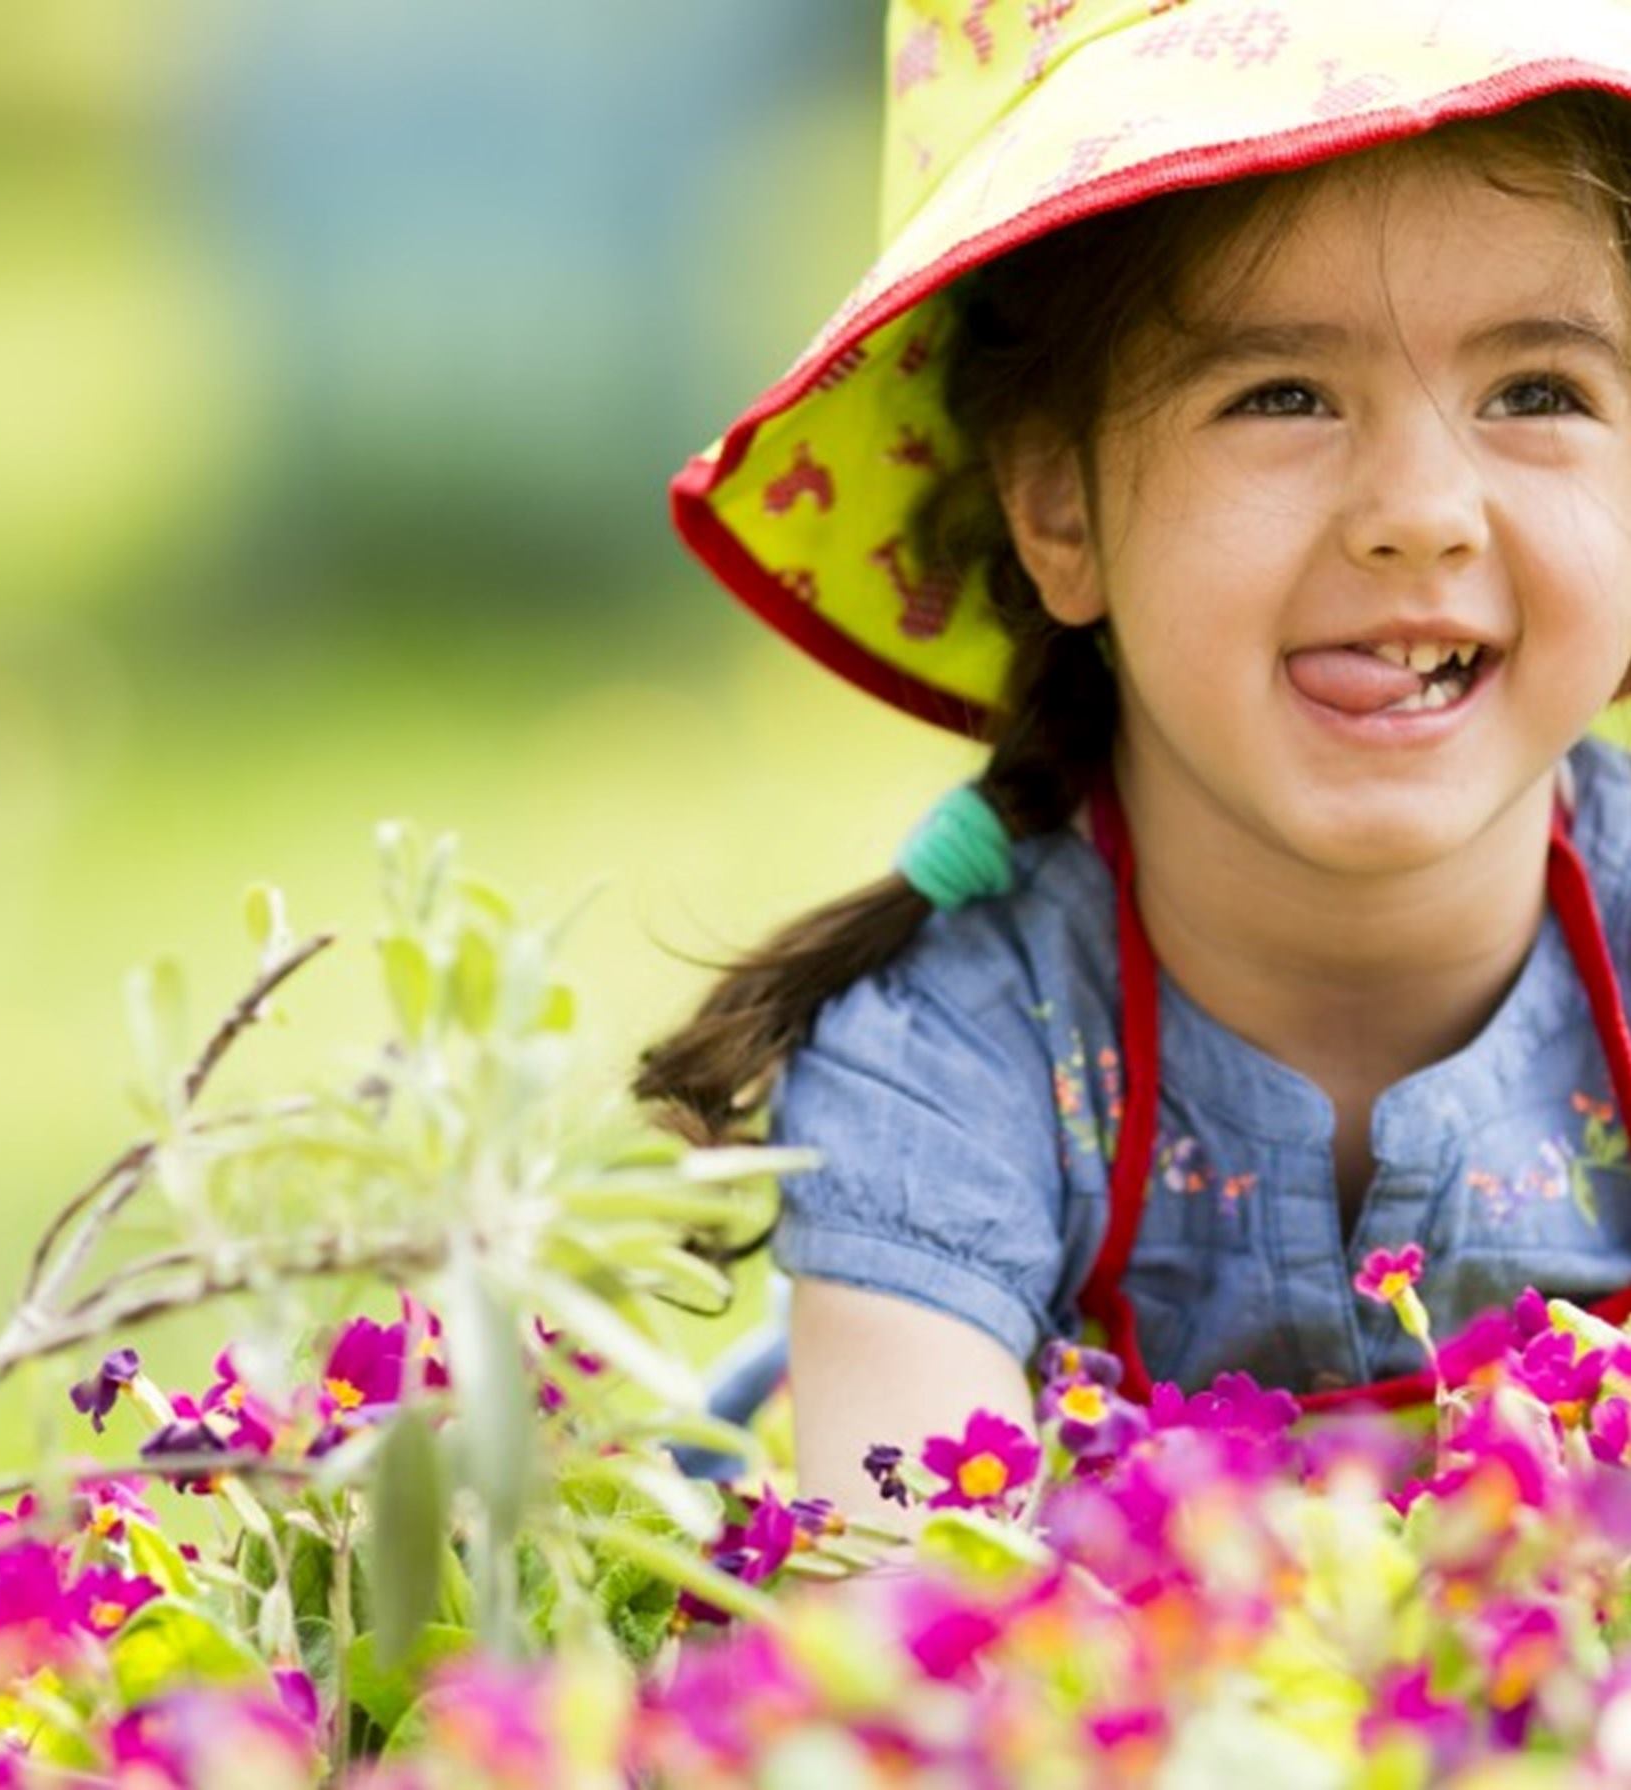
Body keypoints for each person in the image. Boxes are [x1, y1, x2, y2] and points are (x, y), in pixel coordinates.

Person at [639, 0, 1631, 1523]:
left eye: (1536, 392)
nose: (1419, 510)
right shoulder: (948, 1058)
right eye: (1280, 395)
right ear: (1055, 504)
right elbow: (919, 1623)